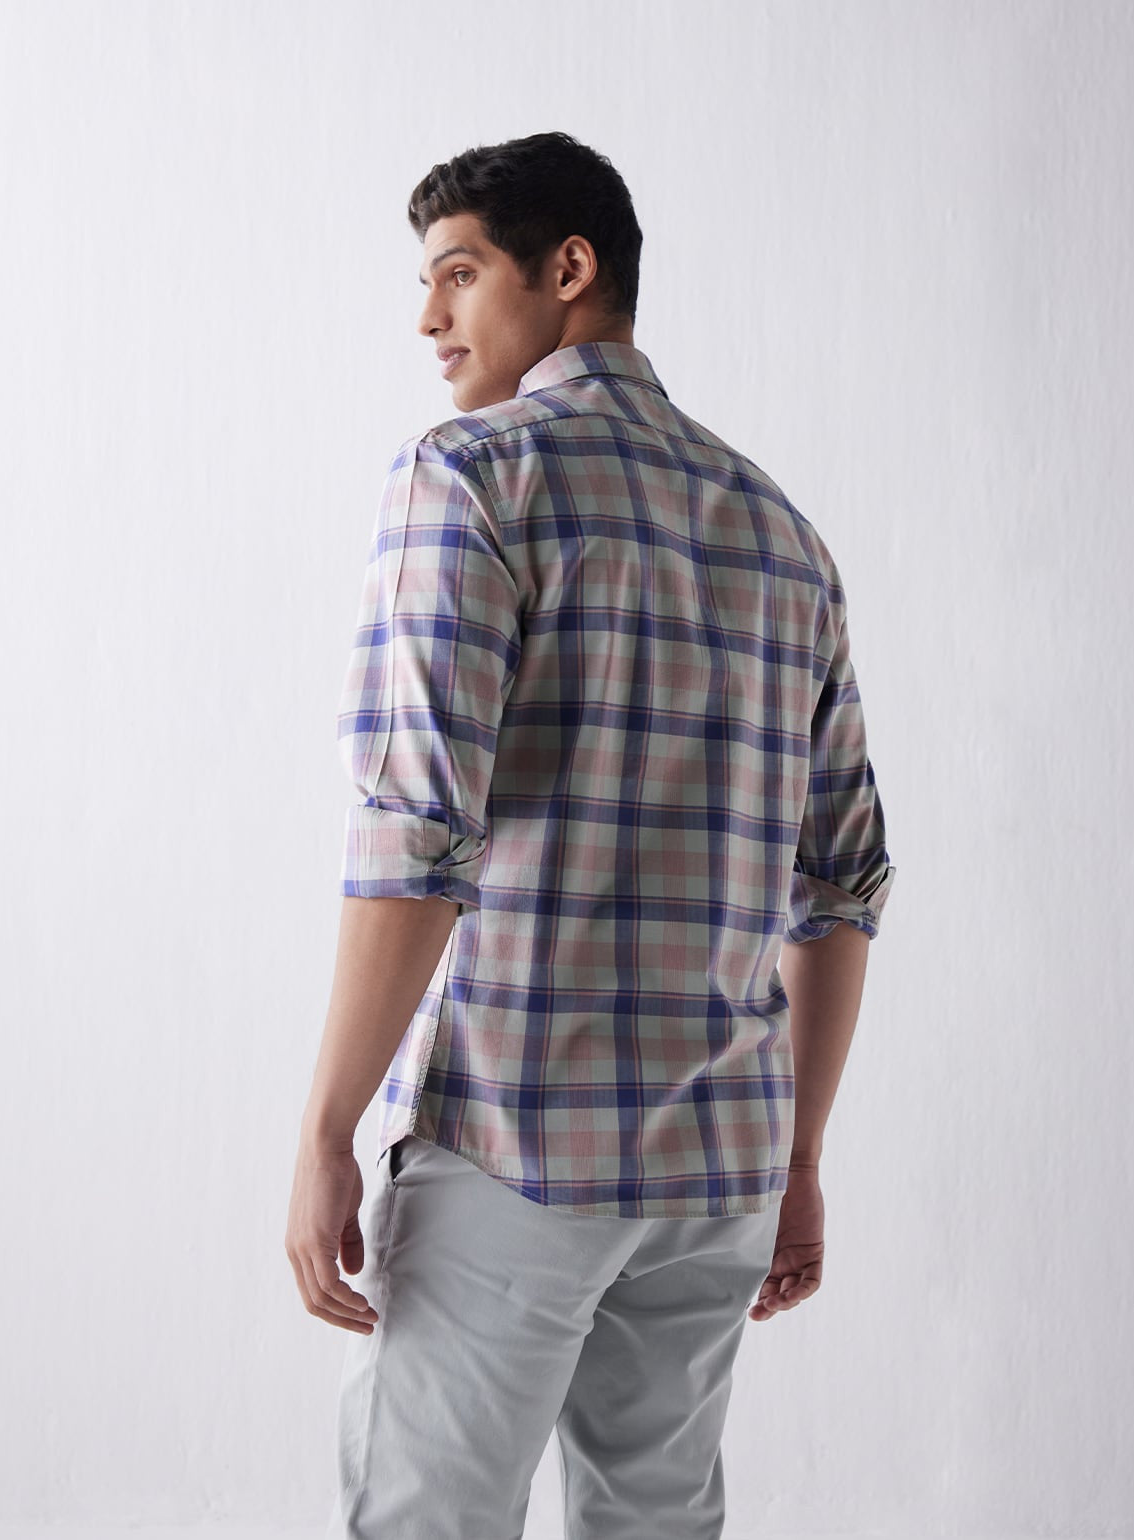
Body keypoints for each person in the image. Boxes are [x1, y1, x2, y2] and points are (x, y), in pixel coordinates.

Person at [285, 130, 897, 1540]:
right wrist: (799, 1158)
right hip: (719, 1171)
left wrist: (324, 1129)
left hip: (517, 1143)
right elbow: (842, 882)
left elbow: (415, 832)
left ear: (568, 270)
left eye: (457, 274)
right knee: (657, 1523)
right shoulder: (782, 534)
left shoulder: (471, 477)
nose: (428, 318)